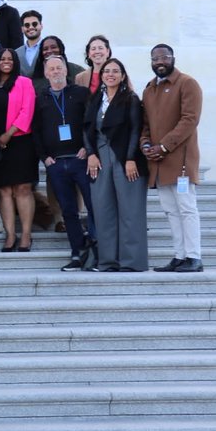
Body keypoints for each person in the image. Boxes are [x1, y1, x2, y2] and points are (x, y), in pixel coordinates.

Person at [142, 45, 205, 273]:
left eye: (164, 57)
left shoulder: (187, 83)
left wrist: (164, 146)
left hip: (180, 160)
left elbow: (190, 120)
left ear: (173, 59)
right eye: (155, 58)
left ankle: (194, 257)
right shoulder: (149, 89)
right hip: (158, 161)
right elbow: (146, 125)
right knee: (170, 209)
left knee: (187, 208)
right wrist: (146, 144)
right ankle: (179, 256)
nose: (160, 61)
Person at [84, 58, 149, 272]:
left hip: (124, 158)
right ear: (101, 75)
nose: (110, 74)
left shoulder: (130, 99)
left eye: (115, 71)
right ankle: (108, 261)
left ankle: (131, 262)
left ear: (122, 75)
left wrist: (131, 159)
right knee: (104, 210)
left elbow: (135, 129)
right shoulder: (95, 99)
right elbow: (86, 129)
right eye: (107, 71)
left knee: (131, 211)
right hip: (100, 159)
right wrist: (91, 154)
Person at [33, 56, 97, 271]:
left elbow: (90, 122)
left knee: (92, 205)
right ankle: (77, 252)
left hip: (80, 160)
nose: (56, 71)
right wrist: (44, 157)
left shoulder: (80, 93)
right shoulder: (41, 98)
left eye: (59, 67)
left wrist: (87, 148)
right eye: (51, 69)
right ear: (46, 73)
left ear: (65, 71)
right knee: (68, 211)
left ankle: (98, 251)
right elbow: (36, 130)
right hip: (57, 164)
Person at [0, 47, 38, 252]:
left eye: (10, 59)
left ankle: (25, 235)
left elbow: (27, 110)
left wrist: (8, 133)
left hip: (21, 142)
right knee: (4, 190)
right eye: (2, 59)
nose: (6, 62)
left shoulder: (25, 83)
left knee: (22, 188)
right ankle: (10, 235)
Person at [16, 10, 44, 77]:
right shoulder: (16, 53)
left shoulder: (48, 49)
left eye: (34, 24)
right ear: (22, 29)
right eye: (27, 25)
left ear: (41, 26)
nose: (31, 27)